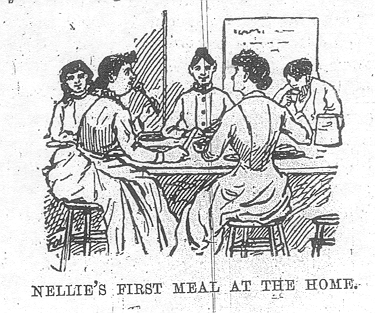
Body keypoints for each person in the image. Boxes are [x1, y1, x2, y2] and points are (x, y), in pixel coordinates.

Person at [45, 52, 187, 257]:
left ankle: (139, 248)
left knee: (140, 184)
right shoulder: (110, 108)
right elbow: (132, 150)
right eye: (127, 73)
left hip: (84, 168)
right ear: (112, 78)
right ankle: (138, 250)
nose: (133, 77)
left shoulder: (108, 106)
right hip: (75, 171)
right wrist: (166, 156)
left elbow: (129, 143)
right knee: (136, 185)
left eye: (80, 76)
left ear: (88, 78)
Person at [177, 49, 311, 255]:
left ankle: (200, 254)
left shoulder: (233, 114)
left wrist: (209, 142)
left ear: (246, 75)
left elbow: (211, 155)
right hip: (275, 192)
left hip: (242, 193)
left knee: (199, 205)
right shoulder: (277, 109)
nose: (232, 77)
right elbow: (304, 136)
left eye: (235, 72)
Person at [162, 47, 235, 138]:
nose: (203, 73)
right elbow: (167, 130)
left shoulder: (223, 97)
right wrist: (187, 134)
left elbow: (235, 124)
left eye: (207, 68)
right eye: (197, 68)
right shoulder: (185, 98)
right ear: (191, 70)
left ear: (214, 68)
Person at [273, 58, 343, 136]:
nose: (292, 84)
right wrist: (283, 99)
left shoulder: (323, 88)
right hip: (299, 134)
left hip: (322, 133)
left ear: (307, 76)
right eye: (289, 81)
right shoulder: (289, 89)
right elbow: (273, 106)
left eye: (297, 79)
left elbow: (337, 117)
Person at [48, 60, 99, 143]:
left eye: (81, 76)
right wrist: (69, 138)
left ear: (87, 77)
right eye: (71, 78)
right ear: (66, 82)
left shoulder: (97, 101)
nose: (77, 81)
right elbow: (55, 134)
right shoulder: (62, 106)